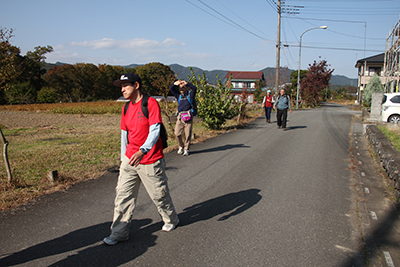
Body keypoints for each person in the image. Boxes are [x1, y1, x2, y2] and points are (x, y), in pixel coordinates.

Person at [103, 73, 179, 246]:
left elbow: (155, 130)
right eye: (121, 86)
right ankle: (119, 233)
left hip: (150, 159)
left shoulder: (150, 103)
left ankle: (171, 219)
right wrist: (124, 158)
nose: (122, 89)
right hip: (130, 159)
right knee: (123, 197)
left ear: (136, 85)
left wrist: (143, 151)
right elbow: (124, 133)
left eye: (125, 85)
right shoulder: (126, 107)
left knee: (159, 195)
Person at [169, 80, 197, 156]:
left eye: (183, 88)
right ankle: (181, 146)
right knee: (177, 133)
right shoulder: (178, 95)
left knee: (187, 135)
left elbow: (194, 88)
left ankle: (186, 149)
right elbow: (171, 89)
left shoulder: (190, 95)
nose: (181, 90)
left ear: (186, 88)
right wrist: (174, 84)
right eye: (180, 88)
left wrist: (187, 83)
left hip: (188, 116)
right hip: (180, 117)